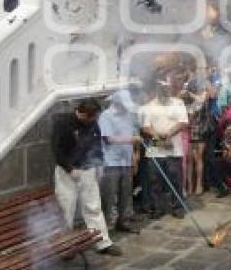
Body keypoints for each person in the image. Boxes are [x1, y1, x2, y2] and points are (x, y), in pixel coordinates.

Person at [52, 100, 121, 256]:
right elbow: (56, 149)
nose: (93, 122)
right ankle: (65, 247)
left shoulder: (92, 122)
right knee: (66, 208)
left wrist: (99, 165)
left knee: (93, 207)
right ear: (82, 114)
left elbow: (97, 144)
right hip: (67, 173)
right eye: (91, 118)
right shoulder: (63, 123)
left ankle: (102, 242)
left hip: (88, 169)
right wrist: (69, 169)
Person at [139, 80, 189, 218]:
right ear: (157, 90)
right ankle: (158, 208)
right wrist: (158, 136)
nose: (164, 91)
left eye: (166, 88)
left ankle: (178, 207)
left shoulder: (178, 103)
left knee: (176, 179)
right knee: (155, 180)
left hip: (174, 148)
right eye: (162, 89)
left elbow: (183, 122)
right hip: (155, 148)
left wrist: (169, 134)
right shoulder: (149, 106)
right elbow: (146, 127)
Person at [98, 91, 140, 234]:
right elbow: (108, 139)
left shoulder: (129, 115)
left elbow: (134, 134)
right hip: (111, 162)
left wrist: (134, 154)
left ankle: (123, 221)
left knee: (126, 193)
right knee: (110, 194)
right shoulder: (106, 116)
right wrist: (131, 140)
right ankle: (107, 224)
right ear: (116, 103)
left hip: (126, 160)